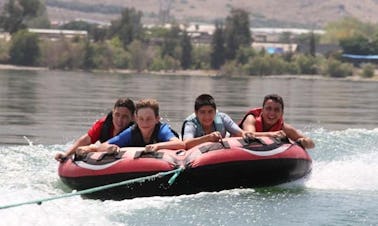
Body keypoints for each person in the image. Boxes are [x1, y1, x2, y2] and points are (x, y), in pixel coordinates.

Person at [76, 98, 185, 154]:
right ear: (136, 119)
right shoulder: (131, 132)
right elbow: (103, 146)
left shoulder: (162, 129)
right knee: (96, 148)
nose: (145, 123)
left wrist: (157, 146)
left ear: (157, 119)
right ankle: (89, 148)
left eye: (149, 119)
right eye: (141, 119)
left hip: (167, 158)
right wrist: (111, 148)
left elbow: (180, 144)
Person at [54, 97, 135, 161]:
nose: (119, 120)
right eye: (117, 115)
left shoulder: (137, 129)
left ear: (132, 118)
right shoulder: (103, 124)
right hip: (103, 152)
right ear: (113, 113)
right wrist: (66, 155)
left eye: (125, 117)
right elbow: (85, 140)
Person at [239, 94, 315, 149]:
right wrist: (271, 134)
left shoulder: (285, 128)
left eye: (277, 110)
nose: (272, 113)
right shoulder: (251, 118)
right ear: (262, 110)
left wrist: (304, 141)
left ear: (282, 114)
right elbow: (249, 134)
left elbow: (311, 144)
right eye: (268, 108)